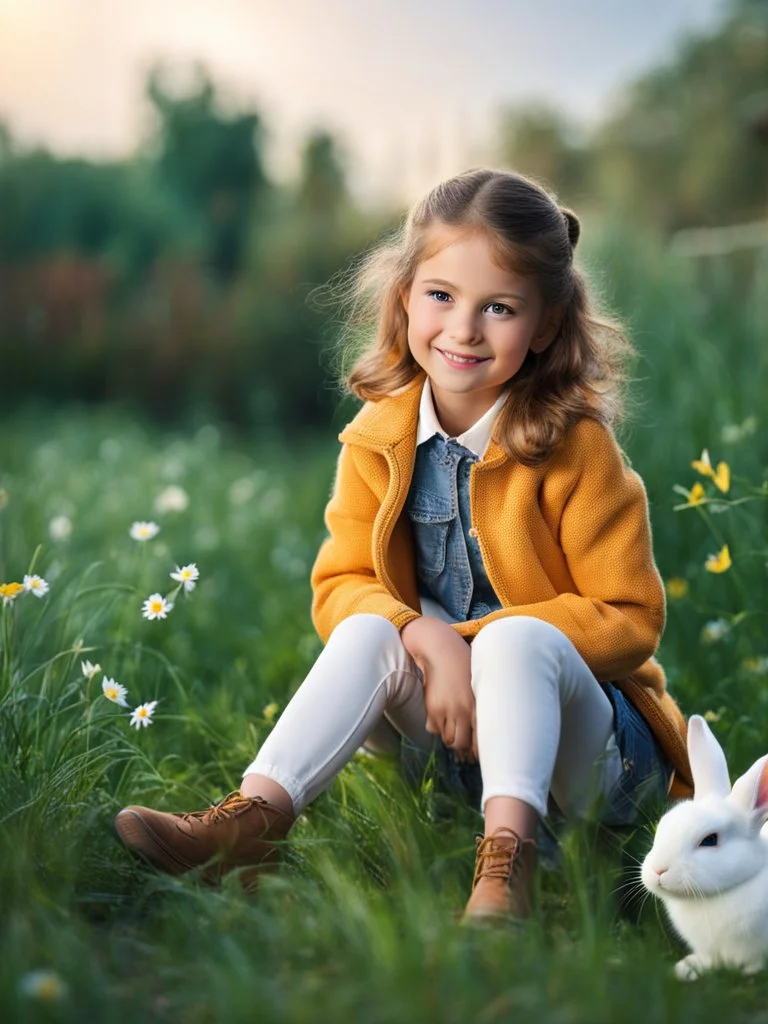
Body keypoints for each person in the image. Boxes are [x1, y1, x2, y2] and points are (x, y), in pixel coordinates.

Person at [114, 168, 693, 922]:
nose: (463, 329)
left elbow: (629, 615)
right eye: (442, 296)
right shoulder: (379, 439)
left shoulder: (577, 450)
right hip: (460, 742)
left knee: (519, 639)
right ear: (405, 296)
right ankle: (252, 823)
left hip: (591, 766)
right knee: (368, 628)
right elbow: (341, 582)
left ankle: (508, 866)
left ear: (546, 325)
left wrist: (470, 641)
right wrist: (424, 638)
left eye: (500, 308)